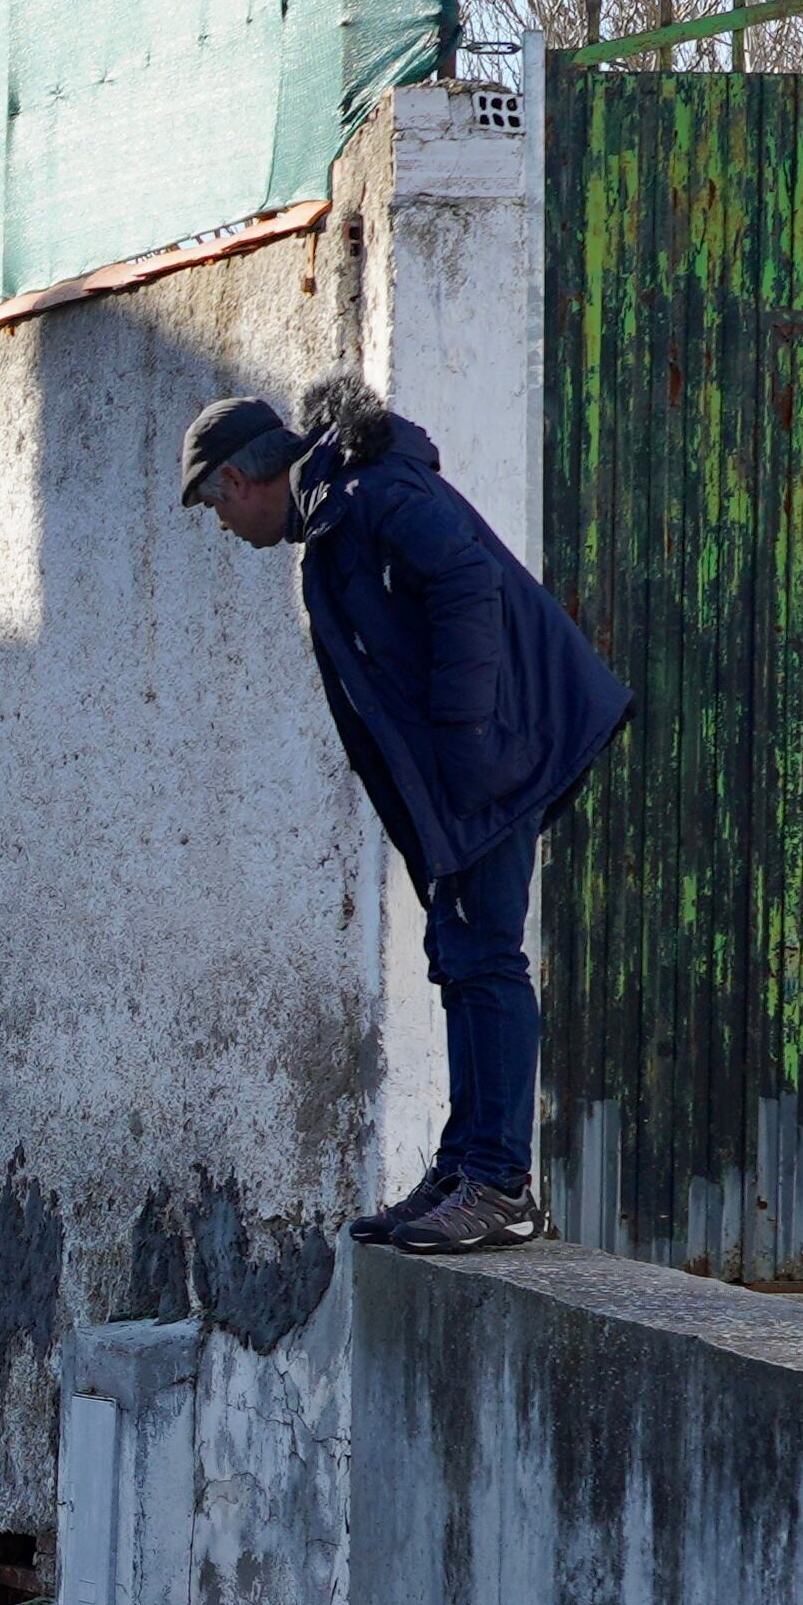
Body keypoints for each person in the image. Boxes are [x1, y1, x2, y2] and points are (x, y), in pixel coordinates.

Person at [182, 373, 630, 1256]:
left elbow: (467, 583)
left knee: (484, 955)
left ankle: (496, 1183)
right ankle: (466, 1166)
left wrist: (465, 739)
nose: (223, 529)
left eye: (213, 507)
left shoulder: (372, 493)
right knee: (462, 950)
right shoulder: (338, 513)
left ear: (236, 481)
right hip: (473, 767)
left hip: (499, 752)